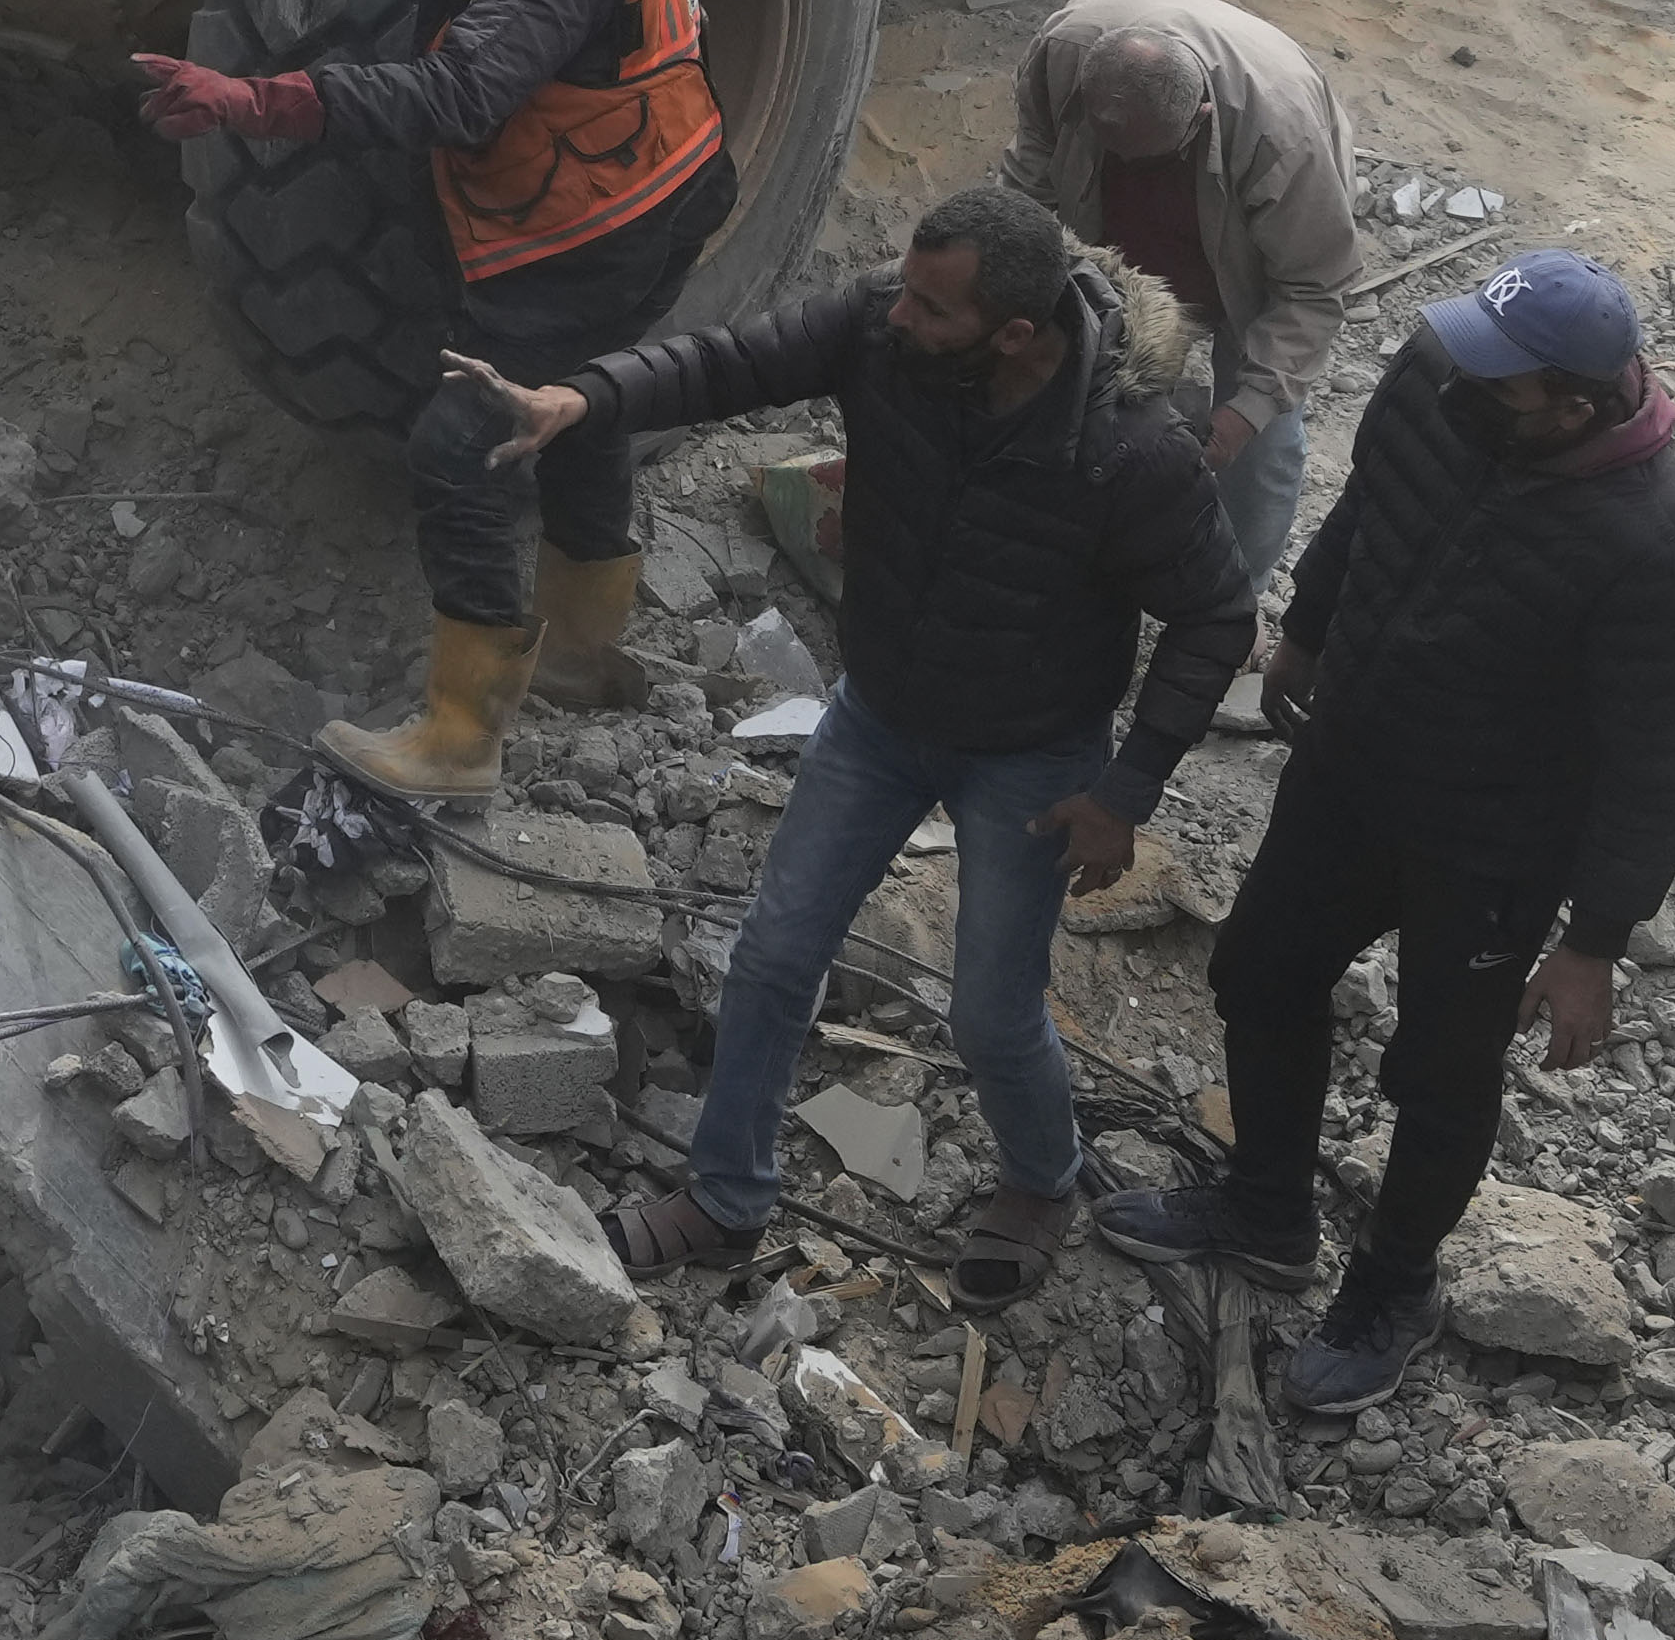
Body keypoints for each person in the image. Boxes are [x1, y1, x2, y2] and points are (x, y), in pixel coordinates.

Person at [489, 185, 1245, 1307]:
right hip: (880, 716)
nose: (899, 318)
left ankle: (1042, 1179)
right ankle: (725, 1196)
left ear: (1017, 336)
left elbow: (1217, 617)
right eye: (904, 289)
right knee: (776, 954)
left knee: (991, 1011)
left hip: (1030, 761)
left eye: (934, 311)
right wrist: (590, 397)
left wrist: (1125, 790)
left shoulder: (1132, 456)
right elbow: (726, 364)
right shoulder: (880, 330)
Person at [1094, 250, 1675, 1413]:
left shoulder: (1658, 537)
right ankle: (1267, 1209)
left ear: (1575, 405)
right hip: (1353, 769)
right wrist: (1311, 626)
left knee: (1439, 1072)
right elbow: (1372, 501)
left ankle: (1394, 1289)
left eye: (1499, 387)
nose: (1455, 385)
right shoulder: (1447, 368)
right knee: (1260, 974)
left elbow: (1663, 759)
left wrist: (1594, 942)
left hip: (1492, 845)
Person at [138, 0, 721, 802]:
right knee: (587, 396)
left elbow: (465, 95)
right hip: (670, 177)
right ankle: (585, 655)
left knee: (460, 447)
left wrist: (252, 99)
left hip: (588, 226)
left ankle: (459, 742)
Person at [997, 0, 1366, 586]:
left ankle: (1236, 594)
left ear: (1198, 119)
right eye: (1107, 146)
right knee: (1079, 394)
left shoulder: (1285, 142)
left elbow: (1312, 289)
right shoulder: (1066, 52)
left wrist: (1244, 413)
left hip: (1258, 246)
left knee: (1263, 447)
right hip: (1130, 228)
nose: (1120, 162)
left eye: (1143, 156)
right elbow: (1032, 175)